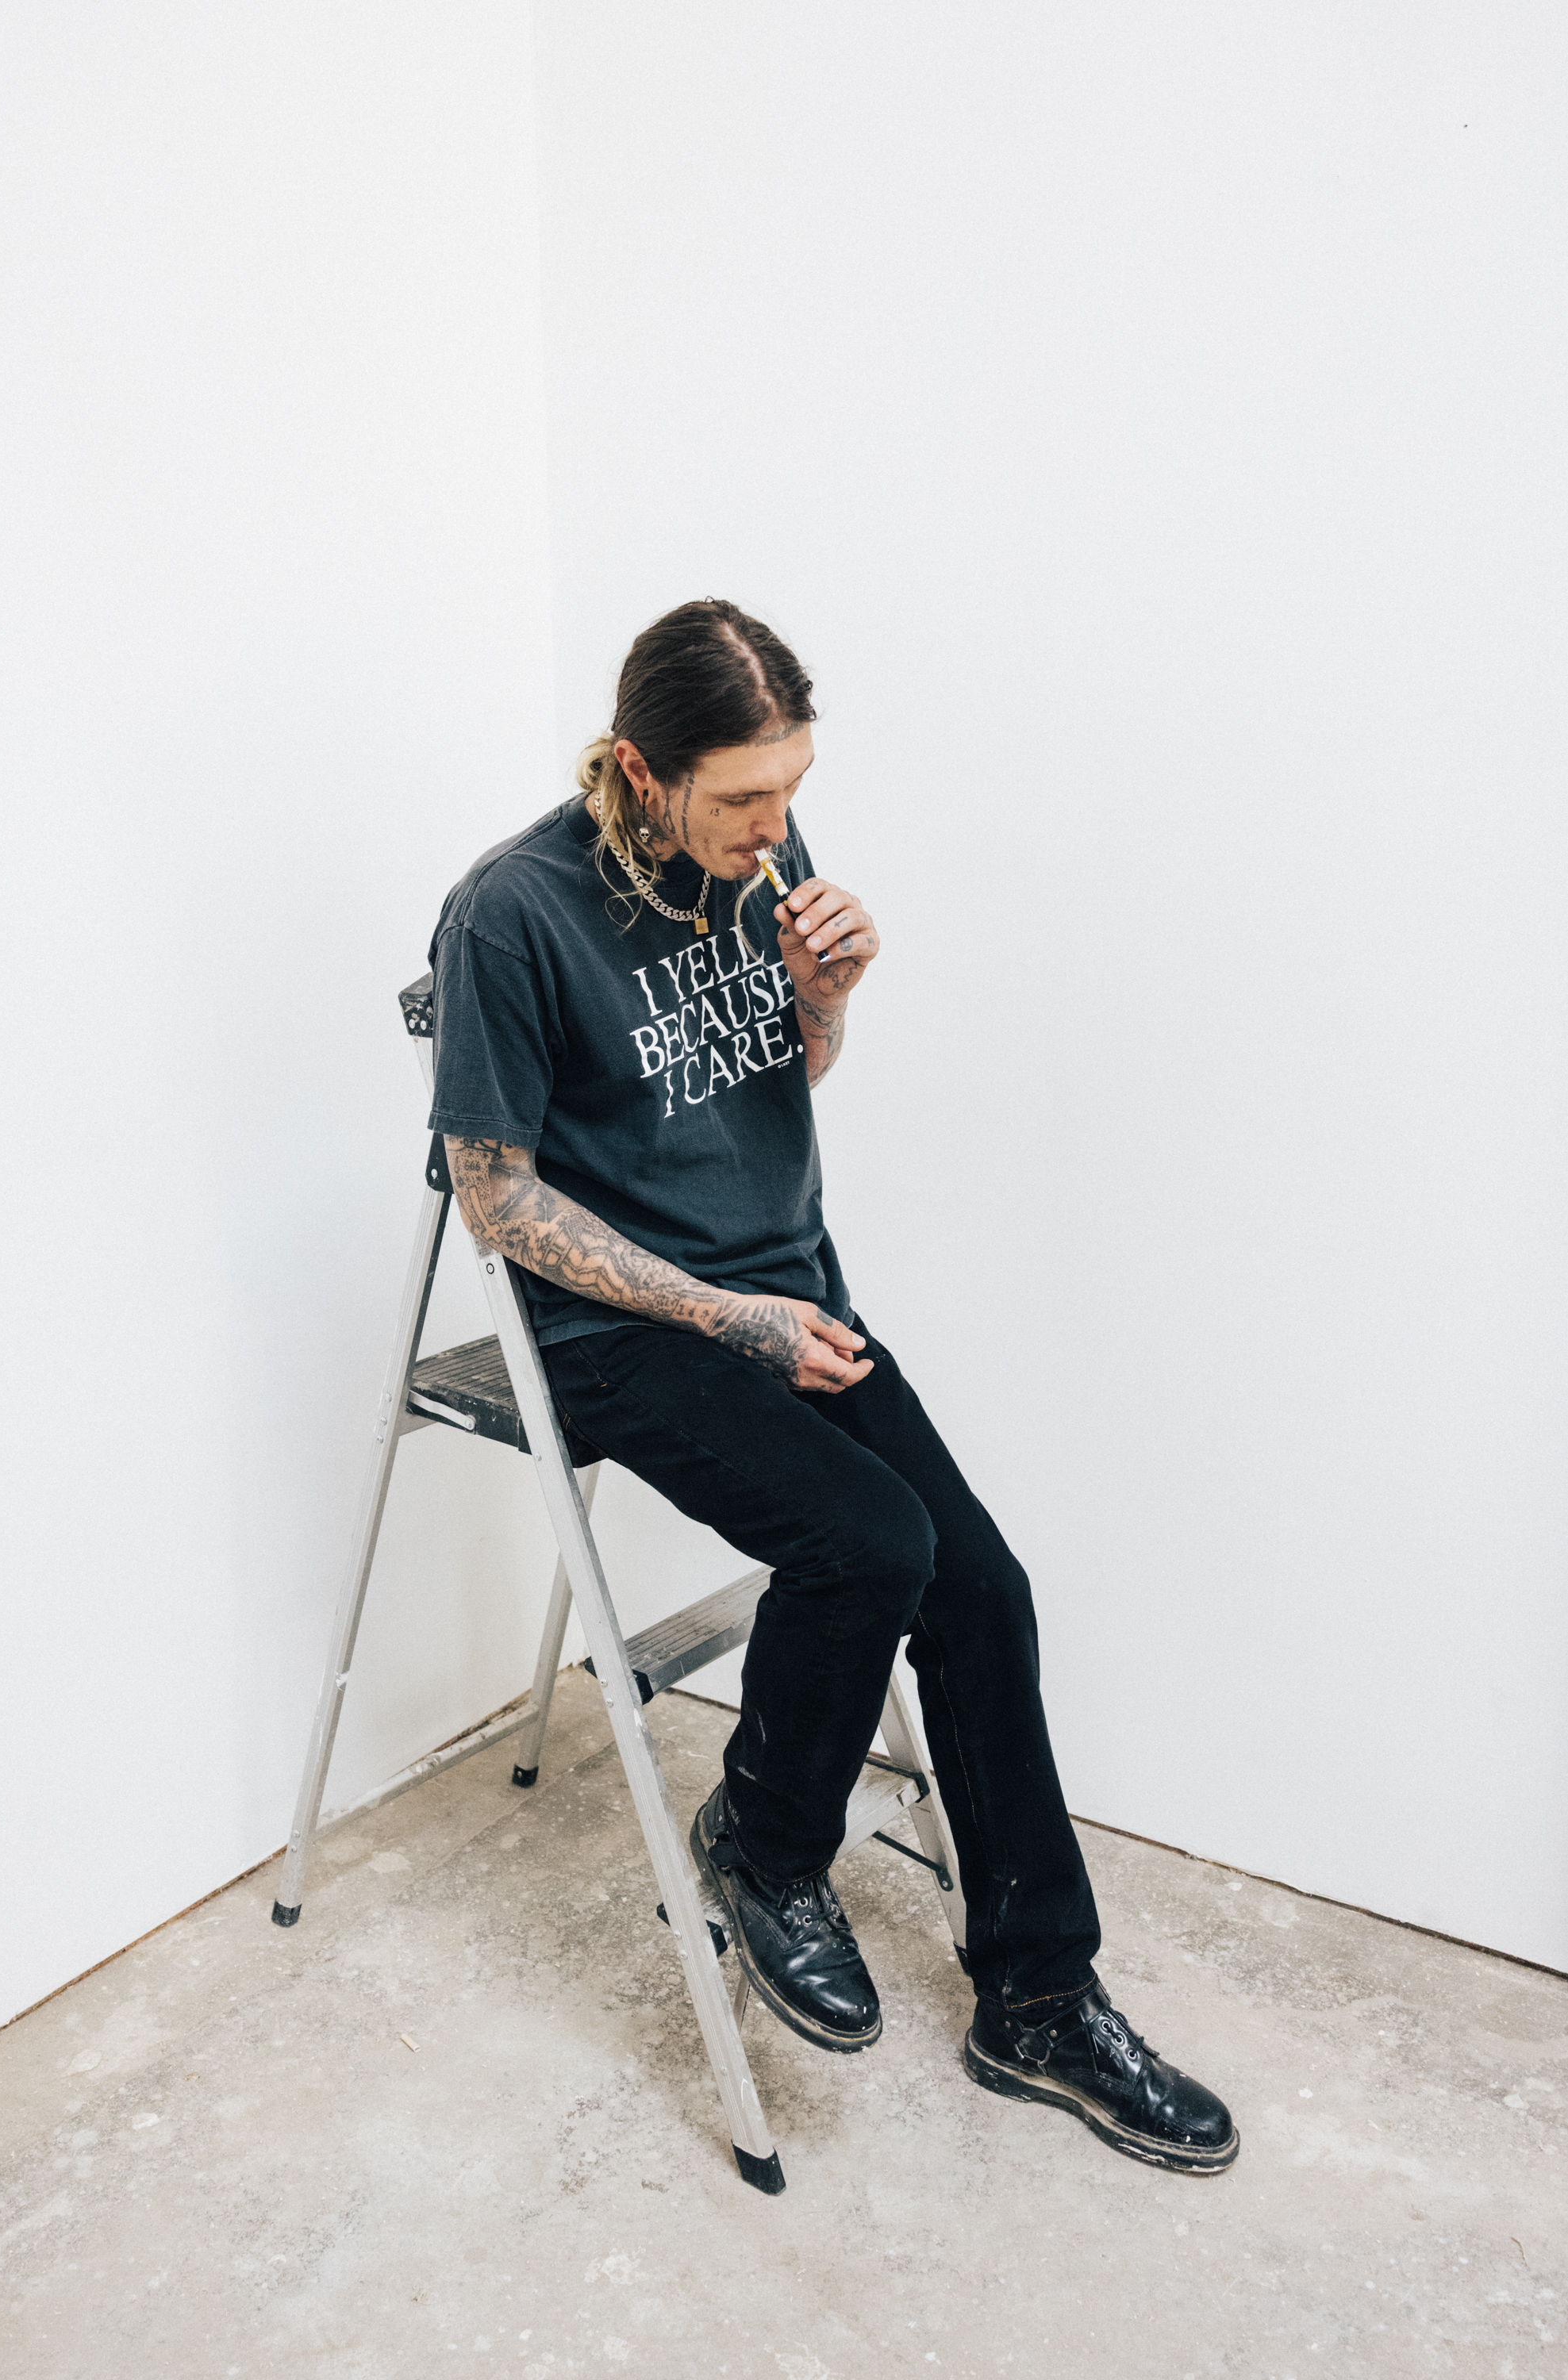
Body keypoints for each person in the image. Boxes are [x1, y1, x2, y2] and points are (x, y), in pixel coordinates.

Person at [427, 599, 1238, 2175]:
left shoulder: (759, 854)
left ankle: (1038, 2001)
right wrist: (724, 1320)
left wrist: (825, 997)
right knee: (867, 1543)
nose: (774, 824)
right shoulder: (509, 913)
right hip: (622, 1331)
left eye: (791, 788)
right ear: (638, 769)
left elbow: (780, 1074)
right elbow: (495, 1194)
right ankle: (766, 1841)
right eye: (743, 796)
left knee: (979, 1588)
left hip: (789, 1293)